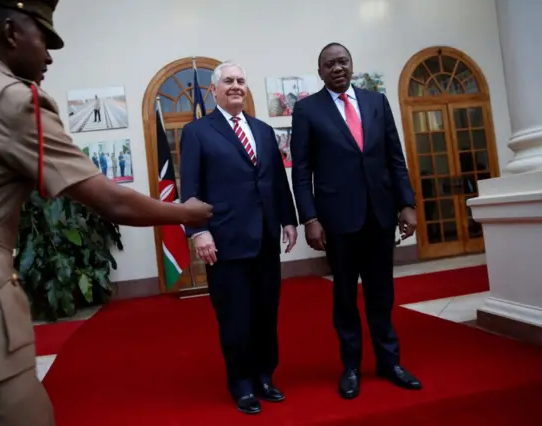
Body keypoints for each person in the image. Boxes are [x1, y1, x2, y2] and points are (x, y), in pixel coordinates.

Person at [0, 1, 212, 425]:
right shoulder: (13, 98)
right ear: (11, 32)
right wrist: (187, 211)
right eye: (44, 39)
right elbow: (111, 201)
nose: (49, 55)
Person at [290, 42, 422, 400]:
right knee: (345, 298)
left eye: (342, 61)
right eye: (329, 64)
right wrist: (310, 218)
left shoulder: (376, 102)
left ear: (352, 65)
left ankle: (389, 361)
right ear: (320, 72)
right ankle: (350, 366)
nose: (337, 68)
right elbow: (301, 171)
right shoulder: (306, 110)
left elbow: (395, 157)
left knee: (382, 293)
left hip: (380, 215)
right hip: (337, 221)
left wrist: (406, 204)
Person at [180, 61, 298, 415]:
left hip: (264, 238)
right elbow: (191, 188)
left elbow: (277, 180)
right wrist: (198, 231)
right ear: (214, 90)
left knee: (265, 313)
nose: (235, 86)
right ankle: (242, 384)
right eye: (228, 81)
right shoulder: (198, 131)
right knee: (235, 317)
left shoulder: (263, 130)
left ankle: (264, 376)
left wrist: (289, 221)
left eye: (240, 81)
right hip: (225, 242)